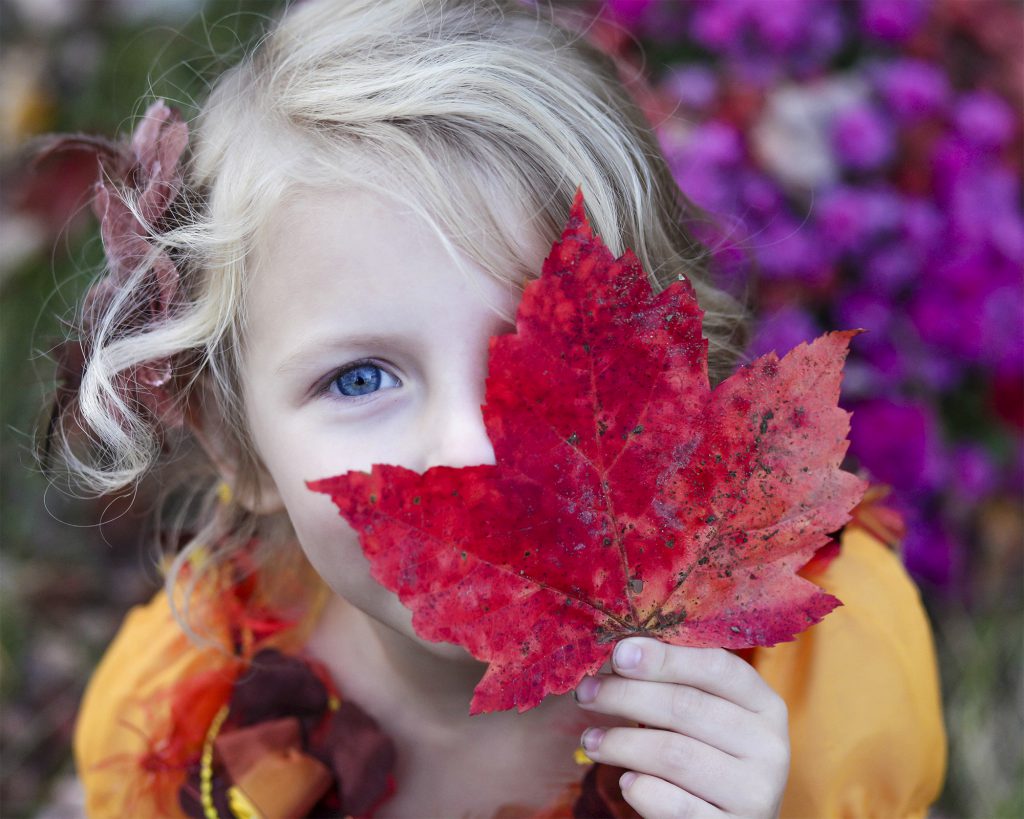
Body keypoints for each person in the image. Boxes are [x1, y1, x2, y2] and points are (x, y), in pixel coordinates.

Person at [42, 0, 946, 816]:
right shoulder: (188, 726)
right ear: (234, 445)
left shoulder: (815, 690)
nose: (474, 446)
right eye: (360, 379)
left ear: (675, 374)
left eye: (544, 354)